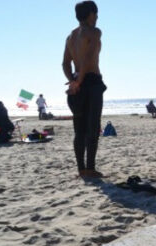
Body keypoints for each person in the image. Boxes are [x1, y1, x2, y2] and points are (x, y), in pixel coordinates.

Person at [62, 1, 106, 178]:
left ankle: (81, 169)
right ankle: (90, 168)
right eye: (95, 14)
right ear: (90, 15)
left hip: (76, 85)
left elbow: (65, 63)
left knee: (79, 129)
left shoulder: (70, 37)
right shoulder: (94, 32)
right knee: (92, 127)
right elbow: (88, 58)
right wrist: (79, 80)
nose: (96, 18)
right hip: (91, 82)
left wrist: (73, 81)